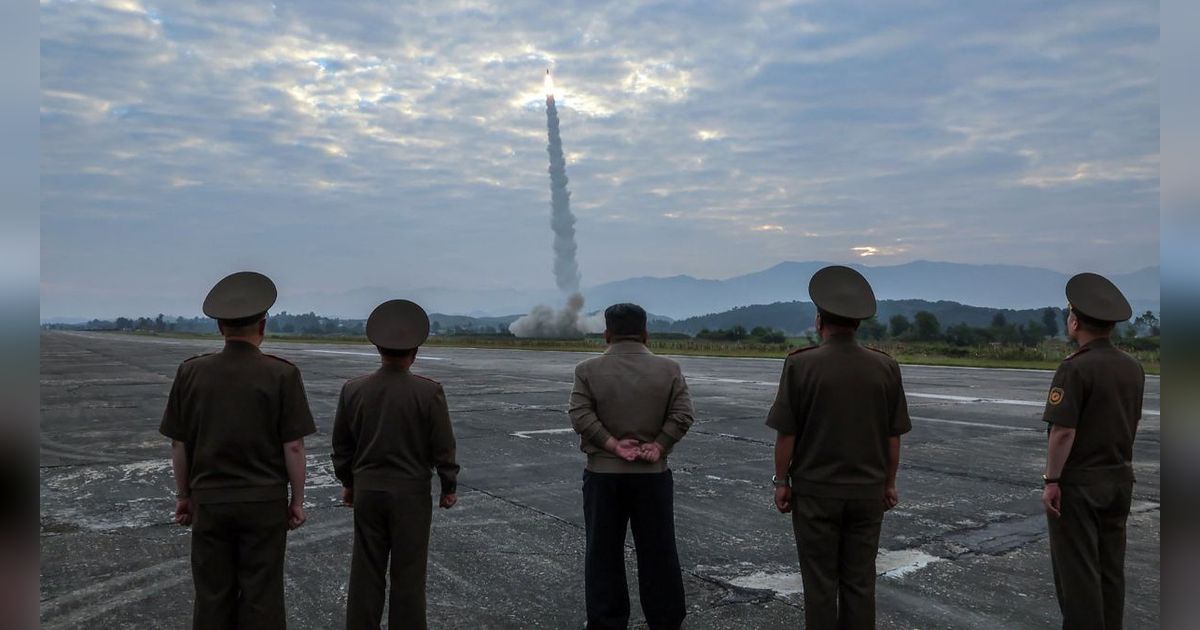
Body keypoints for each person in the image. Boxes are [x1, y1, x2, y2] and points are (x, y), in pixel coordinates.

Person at [159, 271, 316, 629]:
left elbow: (178, 443)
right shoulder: (282, 375)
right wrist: (297, 501)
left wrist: (184, 495)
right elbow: (293, 446)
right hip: (263, 503)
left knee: (213, 596)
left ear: (220, 328)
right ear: (263, 325)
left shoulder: (191, 373)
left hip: (210, 502)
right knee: (263, 596)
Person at [765, 265, 911, 630]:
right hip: (867, 492)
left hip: (816, 493)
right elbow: (893, 436)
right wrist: (889, 483)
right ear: (858, 323)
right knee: (860, 583)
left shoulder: (801, 365)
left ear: (819, 321)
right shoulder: (885, 367)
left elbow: (787, 435)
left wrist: (781, 481)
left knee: (819, 585)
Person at [331, 299, 460, 630]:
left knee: (366, 571)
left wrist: (349, 484)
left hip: (368, 491)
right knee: (409, 576)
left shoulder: (353, 390)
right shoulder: (429, 392)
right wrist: (448, 485)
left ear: (378, 348)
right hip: (412, 495)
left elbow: (342, 446)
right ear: (414, 351)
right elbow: (443, 446)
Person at [568, 303, 694, 630]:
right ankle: (665, 619)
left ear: (607, 333)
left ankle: (607, 620)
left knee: (603, 553)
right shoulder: (669, 369)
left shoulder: (586, 370)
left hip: (603, 475)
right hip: (652, 476)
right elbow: (682, 415)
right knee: (659, 552)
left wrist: (611, 444)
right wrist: (659, 444)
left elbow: (580, 415)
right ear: (646, 333)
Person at [1041, 273, 1144, 630]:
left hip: (1081, 485)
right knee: (1110, 570)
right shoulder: (1133, 367)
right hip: (1119, 479)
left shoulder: (1075, 368)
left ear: (1075, 321)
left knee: (1078, 575)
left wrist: (1052, 480)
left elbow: (1063, 432)